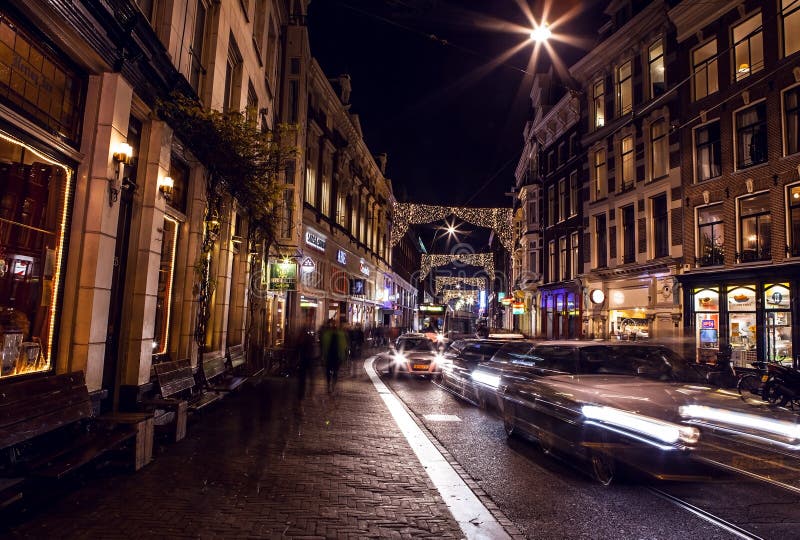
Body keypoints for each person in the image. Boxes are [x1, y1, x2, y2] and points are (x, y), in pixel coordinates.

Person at [320, 317, 347, 393]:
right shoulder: (340, 334)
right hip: (335, 356)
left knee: (329, 372)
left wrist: (323, 356)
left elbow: (323, 346)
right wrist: (343, 357)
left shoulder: (326, 334)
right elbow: (344, 346)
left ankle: (330, 386)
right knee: (334, 372)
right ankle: (332, 386)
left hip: (330, 356)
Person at [295, 323, 318, 400]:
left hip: (303, 361)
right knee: (310, 378)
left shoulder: (300, 339)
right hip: (308, 361)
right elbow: (312, 350)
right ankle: (311, 393)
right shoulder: (309, 338)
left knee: (302, 381)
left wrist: (294, 360)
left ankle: (301, 398)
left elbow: (296, 350)